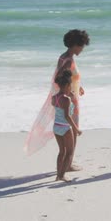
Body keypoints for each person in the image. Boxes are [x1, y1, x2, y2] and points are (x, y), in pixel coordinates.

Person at [24, 29, 90, 168]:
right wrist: (68, 94)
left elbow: (68, 77)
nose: (82, 49)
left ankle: (68, 162)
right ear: (75, 44)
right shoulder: (67, 60)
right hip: (69, 100)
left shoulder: (65, 57)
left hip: (69, 96)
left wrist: (78, 86)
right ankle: (68, 164)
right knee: (72, 129)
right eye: (82, 45)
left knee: (69, 129)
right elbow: (59, 79)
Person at [51, 70, 81, 182]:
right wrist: (76, 128)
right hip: (65, 127)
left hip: (56, 127)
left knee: (61, 151)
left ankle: (58, 175)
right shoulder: (66, 99)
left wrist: (71, 97)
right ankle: (62, 175)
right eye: (70, 86)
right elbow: (68, 116)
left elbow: (59, 108)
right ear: (68, 85)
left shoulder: (55, 98)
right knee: (69, 152)